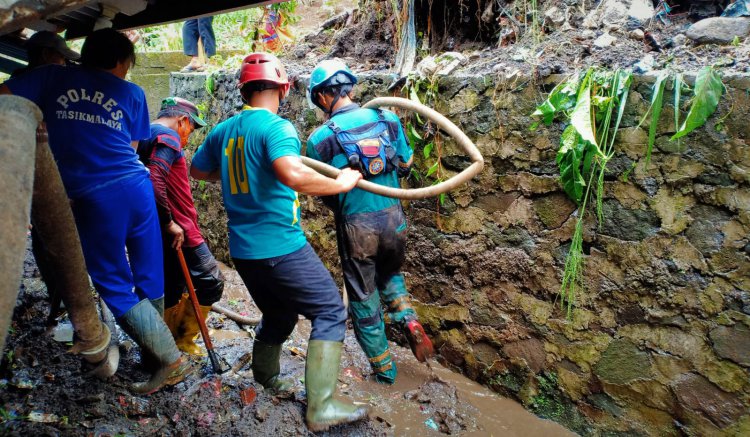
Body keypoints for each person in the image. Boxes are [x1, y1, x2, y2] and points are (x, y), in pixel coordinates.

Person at [0, 28, 191, 395]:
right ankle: (154, 358)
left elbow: (5, 98)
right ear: (121, 62)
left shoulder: (50, 76)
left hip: (97, 195)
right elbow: (133, 147)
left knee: (113, 282)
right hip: (139, 189)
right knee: (149, 275)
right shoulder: (133, 93)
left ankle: (171, 362)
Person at [190, 52, 369, 431]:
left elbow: (198, 169)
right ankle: (321, 407)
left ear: (243, 90)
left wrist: (244, 177)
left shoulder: (225, 130)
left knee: (280, 314)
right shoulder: (277, 128)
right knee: (330, 311)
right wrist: (340, 182)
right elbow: (290, 173)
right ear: (284, 88)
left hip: (243, 251)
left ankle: (266, 378)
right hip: (279, 246)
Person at [305, 59, 434, 385]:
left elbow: (324, 190)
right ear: (349, 87)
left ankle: (385, 372)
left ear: (322, 97)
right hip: (394, 219)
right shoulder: (387, 118)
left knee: (363, 298)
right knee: (389, 271)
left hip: (357, 227)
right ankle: (407, 318)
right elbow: (405, 163)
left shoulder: (320, 139)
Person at [136, 96, 225, 355]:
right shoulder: (169, 137)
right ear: (182, 121)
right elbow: (155, 179)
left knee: (171, 285)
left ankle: (165, 346)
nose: (188, 138)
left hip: (156, 227)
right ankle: (183, 340)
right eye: (191, 129)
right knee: (211, 281)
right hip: (180, 229)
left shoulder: (143, 135)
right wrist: (170, 222)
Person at [11, 30, 80, 78]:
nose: (64, 63)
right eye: (62, 57)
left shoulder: (16, 80)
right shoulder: (43, 84)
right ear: (46, 54)